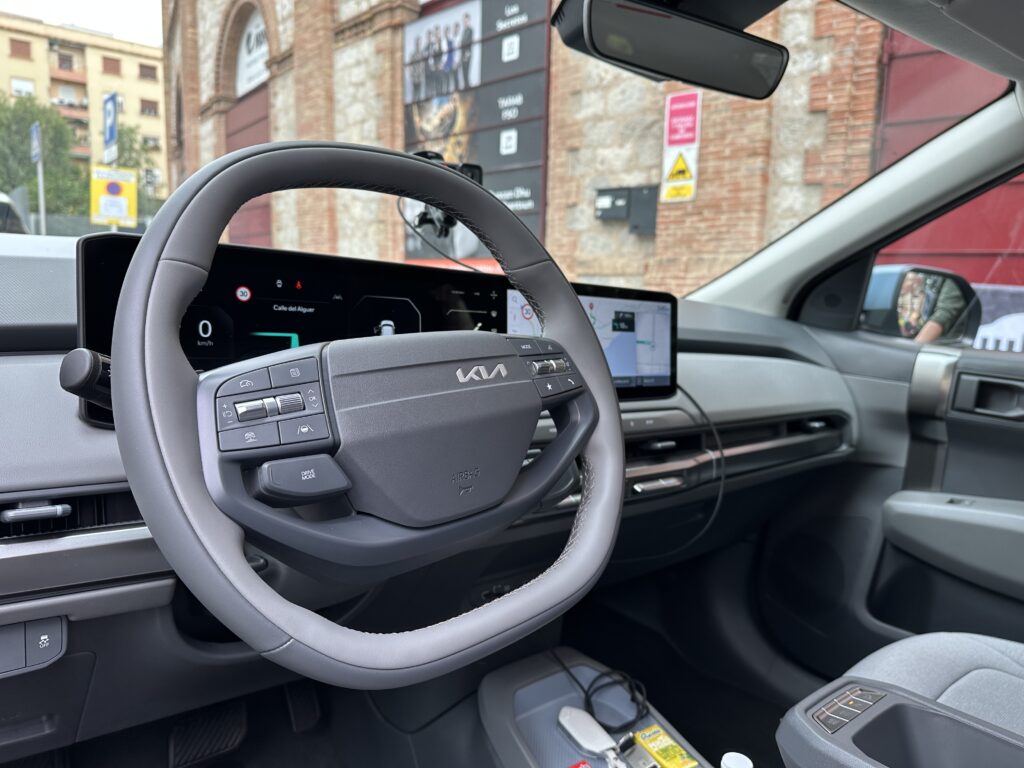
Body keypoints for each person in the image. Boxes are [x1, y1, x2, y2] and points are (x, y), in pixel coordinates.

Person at [459, 13, 474, 90]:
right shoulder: (464, 31)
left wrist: (466, 55)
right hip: (463, 55)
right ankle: (466, 88)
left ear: (468, 20)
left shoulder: (470, 30)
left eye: (466, 20)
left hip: (467, 54)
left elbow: (468, 43)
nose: (464, 22)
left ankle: (468, 89)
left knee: (466, 73)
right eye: (463, 21)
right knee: (463, 73)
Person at [410, 36, 425, 102]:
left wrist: (422, 74)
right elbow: (411, 66)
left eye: (419, 43)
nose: (418, 44)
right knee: (414, 94)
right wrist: (412, 75)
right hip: (415, 77)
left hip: (420, 77)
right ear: (415, 44)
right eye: (417, 43)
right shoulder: (413, 54)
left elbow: (423, 65)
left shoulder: (422, 54)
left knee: (419, 93)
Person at [450, 22, 462, 93]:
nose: (456, 30)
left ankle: (458, 92)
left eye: (457, 28)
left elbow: (459, 52)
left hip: (457, 62)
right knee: (453, 78)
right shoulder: (452, 38)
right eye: (455, 28)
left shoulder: (459, 39)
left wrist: (456, 62)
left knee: (457, 77)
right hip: (452, 61)